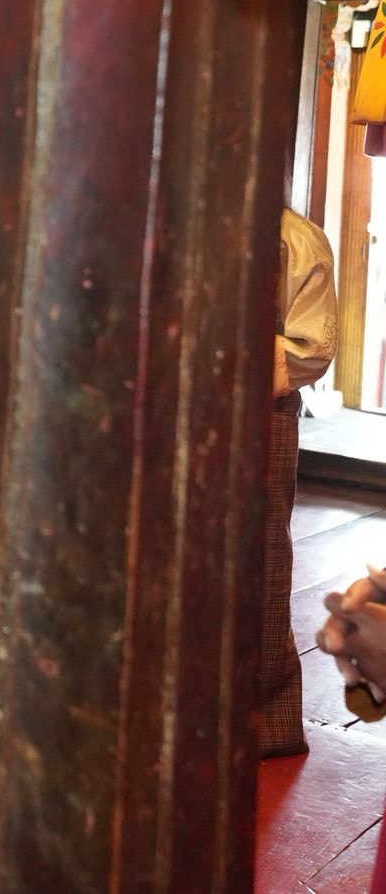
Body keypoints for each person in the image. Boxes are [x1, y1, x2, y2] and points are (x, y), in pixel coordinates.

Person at [261, 206, 337, 755]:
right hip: (153, 402)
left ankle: (265, 720)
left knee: (260, 560)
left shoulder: (295, 239)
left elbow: (311, 348)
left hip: (261, 412)